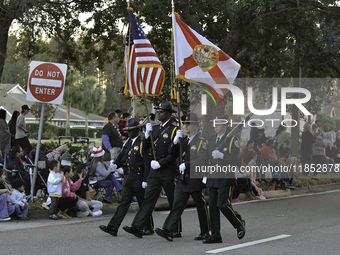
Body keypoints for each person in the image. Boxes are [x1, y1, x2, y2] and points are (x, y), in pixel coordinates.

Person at [123, 101, 181, 238]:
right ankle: (137, 226)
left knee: (173, 200)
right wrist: (147, 136)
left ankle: (175, 229)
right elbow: (145, 149)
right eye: (158, 111)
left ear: (168, 114)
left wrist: (161, 163)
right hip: (155, 170)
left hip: (167, 169)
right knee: (148, 199)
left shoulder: (174, 130)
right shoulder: (154, 128)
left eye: (161, 111)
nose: (158, 113)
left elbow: (173, 154)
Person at [155, 113, 210, 242]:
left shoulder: (202, 142)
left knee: (200, 206)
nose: (186, 126)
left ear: (197, 126)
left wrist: (187, 165)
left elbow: (203, 159)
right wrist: (175, 142)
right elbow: (172, 153)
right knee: (177, 204)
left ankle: (205, 231)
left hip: (195, 177)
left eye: (189, 123)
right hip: (183, 179)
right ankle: (168, 229)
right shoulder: (183, 141)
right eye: (185, 123)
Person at [99, 118, 154, 236]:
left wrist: (145, 179)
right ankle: (113, 227)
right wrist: (115, 164)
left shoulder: (142, 142)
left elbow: (146, 162)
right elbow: (122, 156)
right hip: (128, 177)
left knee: (143, 204)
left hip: (139, 177)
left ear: (137, 130)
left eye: (131, 130)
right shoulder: (128, 142)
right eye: (128, 130)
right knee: (123, 203)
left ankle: (148, 227)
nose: (128, 132)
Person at [203, 114, 245, 244]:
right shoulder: (210, 139)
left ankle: (238, 223)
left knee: (223, 204)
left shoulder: (233, 140)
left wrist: (222, 156)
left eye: (218, 123)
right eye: (215, 123)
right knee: (213, 207)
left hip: (225, 176)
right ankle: (215, 235)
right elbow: (207, 158)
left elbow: (235, 160)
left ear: (225, 125)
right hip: (212, 176)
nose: (215, 126)